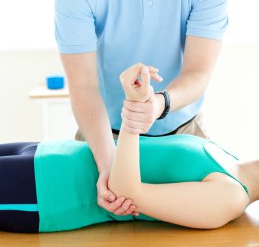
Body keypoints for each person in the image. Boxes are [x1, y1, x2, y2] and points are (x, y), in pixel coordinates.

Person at [54, 0, 229, 216]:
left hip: (182, 129)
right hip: (104, 136)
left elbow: (198, 73)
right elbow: (84, 85)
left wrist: (158, 105)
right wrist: (109, 165)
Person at [0, 64, 257, 233]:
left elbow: (129, 192)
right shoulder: (230, 159)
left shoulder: (229, 198)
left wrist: (135, 109)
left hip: (46, 192)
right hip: (46, 153)